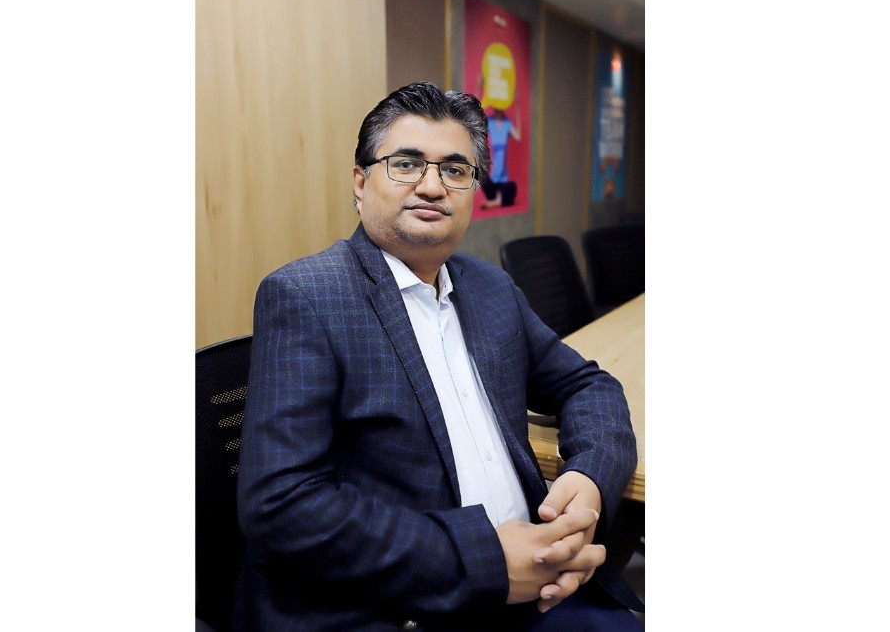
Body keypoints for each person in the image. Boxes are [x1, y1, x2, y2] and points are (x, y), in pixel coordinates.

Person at [235, 81, 641, 631]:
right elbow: (281, 504)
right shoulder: (306, 295)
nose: (431, 186)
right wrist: (485, 561)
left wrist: (589, 479)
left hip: (540, 578)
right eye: (405, 164)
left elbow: (588, 385)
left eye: (454, 169)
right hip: (405, 603)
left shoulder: (490, 288)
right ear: (360, 183)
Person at [482, 106, 521, 209]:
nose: (498, 111)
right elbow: (477, 129)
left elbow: (518, 136)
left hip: (503, 178)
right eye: (496, 109)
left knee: (512, 187)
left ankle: (495, 201)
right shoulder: (489, 121)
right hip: (492, 175)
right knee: (481, 176)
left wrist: (517, 110)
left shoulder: (507, 123)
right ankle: (497, 200)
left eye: (500, 109)